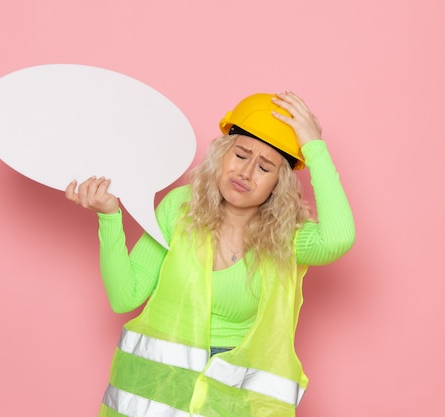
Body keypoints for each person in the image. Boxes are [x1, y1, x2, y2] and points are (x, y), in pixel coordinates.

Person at [65, 91, 355, 417]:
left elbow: (338, 238)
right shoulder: (179, 207)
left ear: (278, 183)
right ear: (221, 155)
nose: (246, 173)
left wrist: (314, 146)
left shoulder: (284, 237)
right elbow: (124, 296)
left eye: (264, 167)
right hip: (156, 393)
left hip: (229, 399)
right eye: (241, 155)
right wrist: (109, 216)